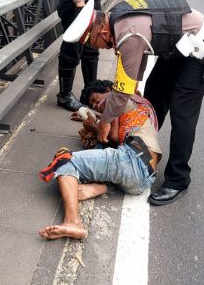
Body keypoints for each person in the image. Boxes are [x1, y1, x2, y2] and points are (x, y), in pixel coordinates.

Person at [63, 0, 204, 206]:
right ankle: (146, 149)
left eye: (96, 44)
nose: (100, 48)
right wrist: (134, 85)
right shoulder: (117, 17)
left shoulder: (127, 35)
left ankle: (178, 179)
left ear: (102, 32)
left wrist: (105, 122)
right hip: (179, 45)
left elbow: (120, 91)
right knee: (155, 92)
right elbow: (143, 51)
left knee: (182, 112)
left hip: (200, 44)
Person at [38, 80, 160, 240]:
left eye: (96, 99)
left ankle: (73, 222)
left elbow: (112, 138)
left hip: (132, 160)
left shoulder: (117, 98)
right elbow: (116, 133)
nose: (96, 105)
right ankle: (100, 188)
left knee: (64, 159)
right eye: (92, 104)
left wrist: (92, 127)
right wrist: (94, 119)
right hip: (143, 179)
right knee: (96, 154)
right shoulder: (132, 99)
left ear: (109, 90)